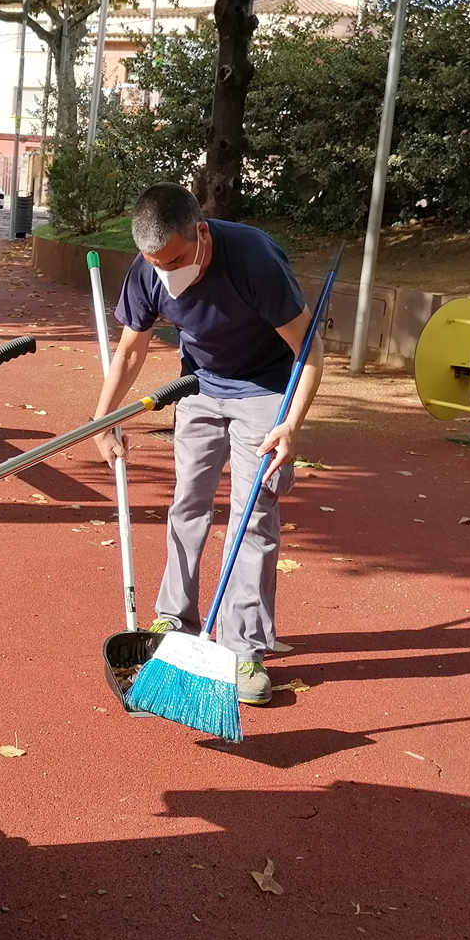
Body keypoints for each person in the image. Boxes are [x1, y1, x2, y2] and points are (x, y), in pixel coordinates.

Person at [91, 183, 323, 707]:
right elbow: (130, 350)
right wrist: (102, 418)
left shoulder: (254, 259)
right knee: (188, 503)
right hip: (199, 387)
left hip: (266, 390)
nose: (166, 275)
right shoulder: (149, 270)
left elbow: (310, 351)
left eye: (173, 260)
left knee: (253, 514)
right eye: (155, 264)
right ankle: (175, 618)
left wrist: (291, 425)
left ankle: (244, 647)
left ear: (200, 234)